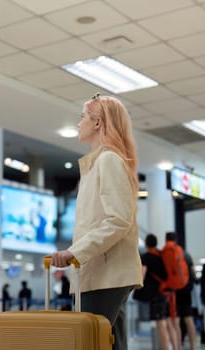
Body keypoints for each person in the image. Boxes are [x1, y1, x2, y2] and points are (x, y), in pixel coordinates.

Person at [47, 93, 143, 350]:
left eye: (83, 118)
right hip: (104, 272)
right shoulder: (99, 163)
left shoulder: (108, 160)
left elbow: (119, 220)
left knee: (89, 343)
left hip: (106, 274)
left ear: (98, 123)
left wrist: (74, 252)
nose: (79, 123)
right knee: (110, 343)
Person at [139, 233, 179, 350]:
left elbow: (142, 274)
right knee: (169, 323)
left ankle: (166, 348)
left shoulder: (146, 257)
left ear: (146, 244)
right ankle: (176, 348)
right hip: (167, 293)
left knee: (161, 325)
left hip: (156, 294)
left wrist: (137, 286)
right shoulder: (161, 255)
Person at [176, 249, 197, 350]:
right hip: (187, 291)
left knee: (176, 320)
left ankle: (178, 346)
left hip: (176, 291)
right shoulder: (187, 256)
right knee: (189, 319)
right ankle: (193, 346)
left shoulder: (173, 255)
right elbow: (194, 272)